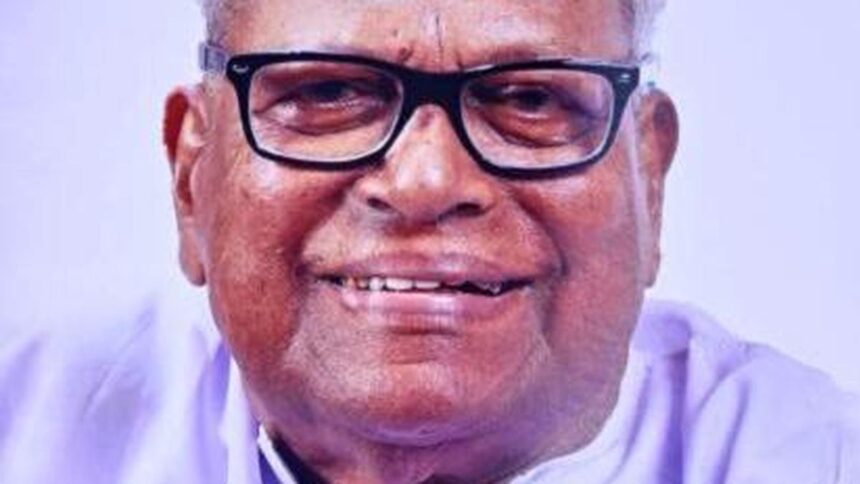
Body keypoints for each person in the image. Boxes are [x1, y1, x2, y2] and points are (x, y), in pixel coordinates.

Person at [1, 0, 858, 482]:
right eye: (327, 93)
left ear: (650, 179)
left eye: (529, 100)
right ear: (193, 182)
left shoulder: (811, 460)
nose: (426, 182)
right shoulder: (29, 434)